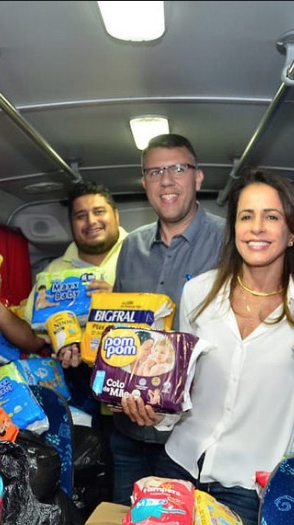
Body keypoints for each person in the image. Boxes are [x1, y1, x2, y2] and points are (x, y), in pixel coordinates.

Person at [120, 168, 294, 525]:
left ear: (292, 233)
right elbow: (181, 385)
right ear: (234, 229)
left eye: (271, 217)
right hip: (178, 463)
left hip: (245, 485)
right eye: (246, 216)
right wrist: (154, 412)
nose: (256, 228)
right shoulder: (199, 293)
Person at [110, 133, 225, 505]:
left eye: (178, 168)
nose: (167, 180)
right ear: (144, 183)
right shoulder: (131, 246)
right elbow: (120, 329)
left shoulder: (229, 240)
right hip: (128, 429)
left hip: (192, 436)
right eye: (155, 172)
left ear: (198, 177)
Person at [0, 180, 127, 368]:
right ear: (72, 224)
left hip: (137, 369)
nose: (91, 221)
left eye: (98, 212)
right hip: (79, 373)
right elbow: (33, 340)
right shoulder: (53, 273)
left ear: (116, 215)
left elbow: (157, 316)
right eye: (81, 216)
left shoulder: (144, 253)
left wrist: (119, 302)